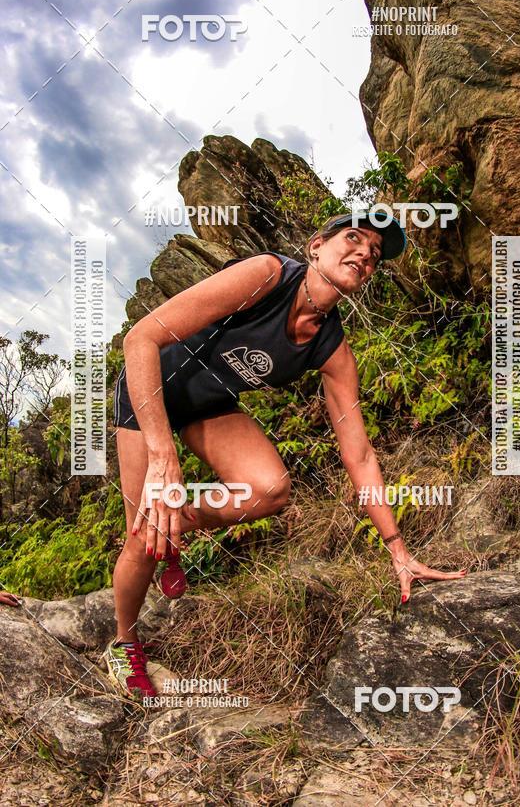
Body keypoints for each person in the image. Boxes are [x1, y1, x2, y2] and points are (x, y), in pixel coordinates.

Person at [104, 209, 468, 700]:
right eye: (354, 239)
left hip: (208, 405)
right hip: (147, 394)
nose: (364, 253)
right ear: (316, 246)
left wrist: (398, 551)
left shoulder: (332, 349)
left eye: (375, 255)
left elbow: (358, 455)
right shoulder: (266, 276)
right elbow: (140, 338)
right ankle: (123, 645)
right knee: (141, 540)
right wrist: (162, 458)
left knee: (270, 489)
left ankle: (175, 524)